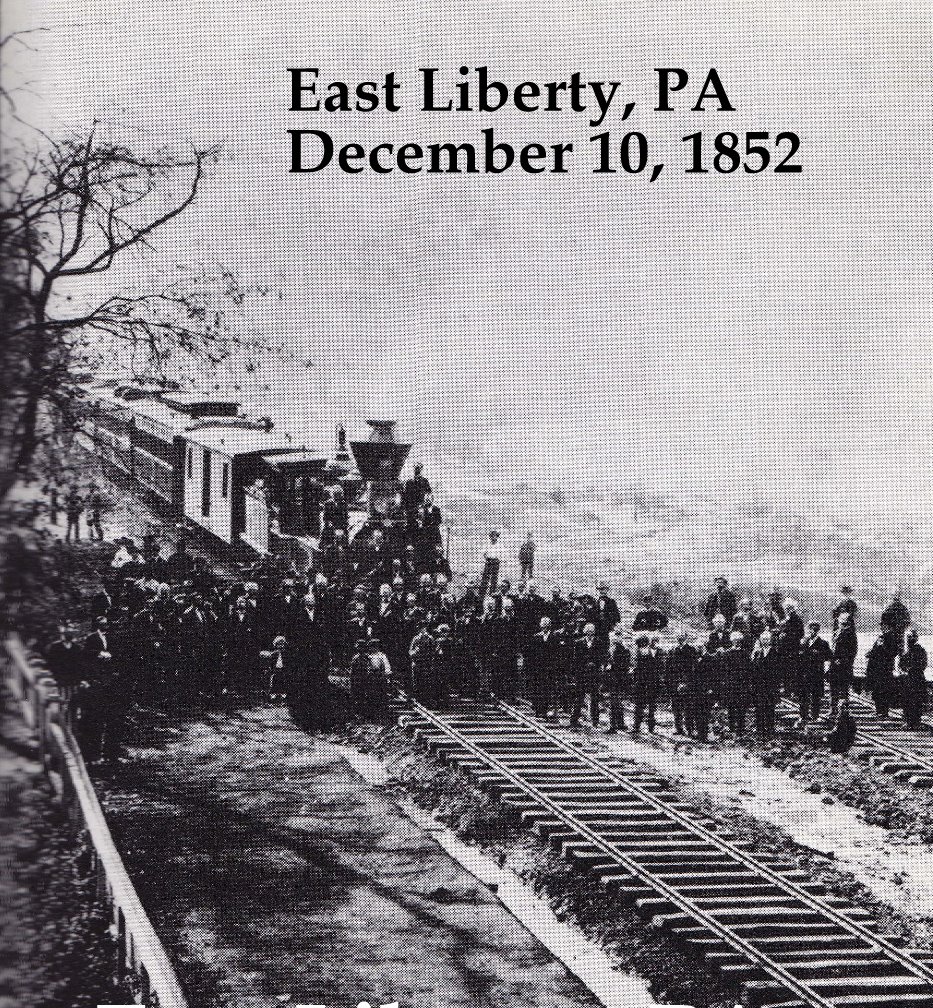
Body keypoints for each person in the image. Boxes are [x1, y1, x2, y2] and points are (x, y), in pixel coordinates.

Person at [568, 622, 607, 729]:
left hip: (594, 675)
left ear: (594, 632)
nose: (590, 634)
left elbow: (601, 657)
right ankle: (574, 720)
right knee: (579, 698)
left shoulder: (598, 642)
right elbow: (576, 659)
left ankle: (595, 720)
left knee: (595, 698)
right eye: (588, 632)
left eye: (592, 632)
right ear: (585, 632)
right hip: (582, 674)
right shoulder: (579, 643)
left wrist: (597, 667)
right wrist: (578, 671)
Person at [524, 616, 563, 718]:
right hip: (538, 667)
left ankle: (544, 710)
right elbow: (532, 654)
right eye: (543, 626)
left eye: (546, 626)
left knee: (547, 689)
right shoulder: (536, 637)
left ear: (549, 626)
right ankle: (538, 709)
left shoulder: (554, 637)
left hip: (549, 667)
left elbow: (557, 653)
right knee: (537, 688)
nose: (545, 627)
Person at [750, 629, 782, 737]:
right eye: (763, 639)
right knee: (759, 708)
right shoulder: (757, 653)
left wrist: (777, 685)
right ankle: (760, 729)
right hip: (759, 686)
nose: (765, 641)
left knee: (770, 708)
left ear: (770, 640)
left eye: (767, 639)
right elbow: (754, 669)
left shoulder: (775, 652)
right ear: (760, 640)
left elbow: (778, 671)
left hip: (770, 685)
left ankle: (770, 729)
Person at [667, 630, 698, 735]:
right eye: (678, 637)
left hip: (687, 683)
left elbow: (693, 668)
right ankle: (678, 728)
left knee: (688, 707)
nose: (679, 639)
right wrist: (670, 683)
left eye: (681, 637)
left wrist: (685, 682)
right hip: (674, 683)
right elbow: (668, 668)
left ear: (686, 638)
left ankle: (690, 728)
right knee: (676, 707)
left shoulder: (691, 650)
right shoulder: (672, 651)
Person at [631, 634, 664, 733]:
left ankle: (647, 727)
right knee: (642, 706)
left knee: (649, 707)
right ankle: (639, 727)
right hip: (643, 683)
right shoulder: (643, 653)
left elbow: (660, 668)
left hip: (651, 683)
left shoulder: (657, 653)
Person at [864, 630, 899, 719]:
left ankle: (883, 712)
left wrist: (879, 649)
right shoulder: (879, 643)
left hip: (883, 672)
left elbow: (889, 655)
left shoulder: (888, 645)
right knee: (877, 692)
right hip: (878, 672)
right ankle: (879, 711)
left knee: (883, 692)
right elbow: (873, 652)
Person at [720, 632, 751, 733]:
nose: (736, 642)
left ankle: (741, 726)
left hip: (742, 683)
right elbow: (724, 669)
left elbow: (748, 669)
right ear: (731, 641)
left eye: (738, 640)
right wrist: (725, 682)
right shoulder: (727, 653)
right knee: (731, 705)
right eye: (734, 640)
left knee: (742, 705)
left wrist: (747, 681)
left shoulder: (745, 654)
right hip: (731, 683)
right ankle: (732, 726)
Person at [899, 628, 928, 728]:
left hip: (915, 679)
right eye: (908, 637)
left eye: (911, 637)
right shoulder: (909, 652)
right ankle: (911, 721)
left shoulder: (919, 651)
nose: (909, 639)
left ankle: (914, 722)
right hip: (912, 680)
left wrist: (909, 669)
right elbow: (901, 664)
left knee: (914, 701)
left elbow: (922, 664)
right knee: (910, 701)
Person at [829, 611, 858, 714]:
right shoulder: (836, 633)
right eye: (841, 623)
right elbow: (833, 649)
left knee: (843, 689)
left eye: (844, 623)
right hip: (834, 666)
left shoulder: (851, 635)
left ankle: (843, 711)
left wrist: (842, 661)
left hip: (844, 666)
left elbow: (852, 652)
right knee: (833, 689)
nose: (842, 625)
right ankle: (833, 709)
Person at [605, 634, 632, 732]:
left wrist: (611, 667)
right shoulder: (611, 649)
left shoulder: (623, 650)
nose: (612, 641)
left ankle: (613, 726)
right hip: (612, 679)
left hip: (618, 680)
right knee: (616, 702)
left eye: (614, 640)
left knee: (614, 703)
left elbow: (624, 666)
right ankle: (620, 724)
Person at [480, 530, 502, 596]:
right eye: (492, 536)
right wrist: (486, 559)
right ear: (490, 537)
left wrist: (498, 560)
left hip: (495, 562)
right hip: (489, 561)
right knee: (485, 578)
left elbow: (501, 555)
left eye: (495, 536)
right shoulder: (487, 544)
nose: (493, 538)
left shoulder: (499, 545)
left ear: (497, 537)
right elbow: (483, 553)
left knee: (494, 579)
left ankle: (492, 593)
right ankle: (482, 593)